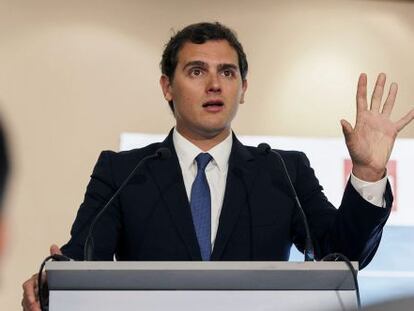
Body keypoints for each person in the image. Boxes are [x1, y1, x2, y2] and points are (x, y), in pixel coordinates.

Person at [22, 22, 414, 310]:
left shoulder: (284, 172)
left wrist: (367, 172)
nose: (214, 84)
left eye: (227, 73)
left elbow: (342, 255)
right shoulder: (122, 173)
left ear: (243, 88)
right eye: (196, 71)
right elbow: (79, 260)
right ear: (167, 87)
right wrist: (49, 281)